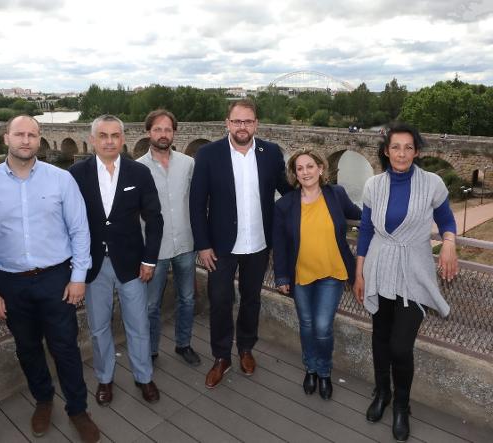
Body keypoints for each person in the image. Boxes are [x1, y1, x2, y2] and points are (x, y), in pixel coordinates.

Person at [0, 115, 100, 442]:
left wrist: (79, 276)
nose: (26, 140)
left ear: (40, 140)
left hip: (57, 278)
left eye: (32, 135)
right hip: (10, 283)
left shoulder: (61, 180)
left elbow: (80, 231)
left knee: (65, 347)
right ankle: (43, 400)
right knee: (27, 348)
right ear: (6, 138)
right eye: (19, 134)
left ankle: (78, 408)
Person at [353, 122, 458, 442]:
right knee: (380, 337)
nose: (401, 153)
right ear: (386, 151)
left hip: (413, 268)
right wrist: (360, 272)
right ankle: (382, 393)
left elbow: (446, 219)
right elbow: (367, 230)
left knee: (400, 346)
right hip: (380, 267)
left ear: (417, 151)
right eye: (395, 147)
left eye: (408, 147)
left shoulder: (433, 183)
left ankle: (401, 406)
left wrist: (450, 242)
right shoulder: (373, 185)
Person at [189, 99, 291, 389]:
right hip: (220, 247)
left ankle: (246, 348)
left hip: (258, 244)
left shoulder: (270, 153)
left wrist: (324, 195)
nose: (242, 127)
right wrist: (203, 245)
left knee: (251, 300)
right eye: (237, 121)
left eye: (248, 121)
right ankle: (222, 357)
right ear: (227, 124)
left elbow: (287, 191)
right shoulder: (208, 155)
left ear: (256, 124)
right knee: (220, 302)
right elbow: (197, 204)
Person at [69, 114, 164, 406]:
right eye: (103, 135)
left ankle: (144, 377)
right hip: (93, 266)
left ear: (122, 139)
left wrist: (150, 260)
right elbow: (68, 222)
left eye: (115, 136)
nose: (109, 141)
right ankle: (105, 378)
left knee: (138, 324)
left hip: (132, 264)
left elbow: (155, 219)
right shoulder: (75, 174)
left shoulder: (139, 173)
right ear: (93, 139)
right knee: (98, 327)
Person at [272, 149, 361, 400]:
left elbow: (360, 216)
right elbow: (279, 244)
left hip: (332, 273)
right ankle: (310, 368)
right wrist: (281, 277)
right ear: (294, 174)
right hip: (300, 274)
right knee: (307, 325)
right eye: (300, 168)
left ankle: (324, 372)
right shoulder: (285, 205)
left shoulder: (337, 195)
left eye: (310, 166)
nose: (305, 172)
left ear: (321, 169)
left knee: (322, 327)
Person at [137, 109, 200, 367]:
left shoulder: (188, 163)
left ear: (174, 133)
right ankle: (151, 351)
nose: (163, 134)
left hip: (185, 244)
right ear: (149, 132)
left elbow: (197, 202)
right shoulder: (137, 168)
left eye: (168, 130)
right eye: (158, 129)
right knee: (151, 305)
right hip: (154, 251)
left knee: (187, 299)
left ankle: (183, 344)